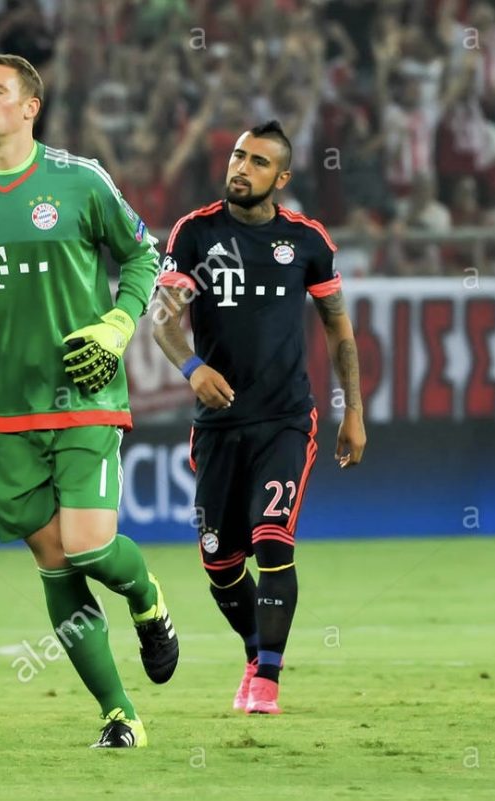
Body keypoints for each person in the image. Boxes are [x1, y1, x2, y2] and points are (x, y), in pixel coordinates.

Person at [0, 53, 178, 749]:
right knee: (54, 562)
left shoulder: (80, 180)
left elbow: (143, 254)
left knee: (88, 547)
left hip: (84, 392)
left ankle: (147, 599)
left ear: (31, 106)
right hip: (1, 407)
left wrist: (117, 326)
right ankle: (120, 715)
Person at [151, 120, 367, 715]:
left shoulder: (307, 240)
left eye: (259, 162)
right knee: (220, 564)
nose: (242, 168)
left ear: (282, 177)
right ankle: (254, 651)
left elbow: (339, 329)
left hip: (285, 421)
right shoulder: (195, 232)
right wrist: (193, 367)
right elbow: (163, 320)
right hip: (218, 425)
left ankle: (267, 680)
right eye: (239, 156)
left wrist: (353, 411)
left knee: (273, 542)